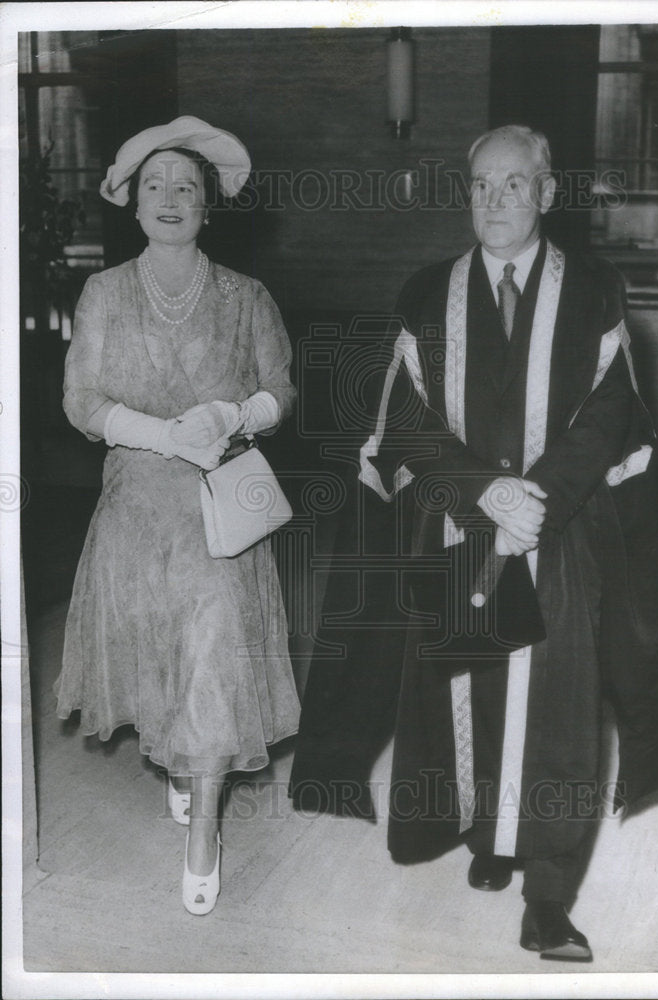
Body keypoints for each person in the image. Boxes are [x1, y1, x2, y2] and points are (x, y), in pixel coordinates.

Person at [290, 124, 658, 960]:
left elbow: (611, 414)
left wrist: (536, 500)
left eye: (513, 184)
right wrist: (483, 491)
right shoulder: (429, 292)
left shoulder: (594, 290)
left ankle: (548, 897)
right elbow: (403, 418)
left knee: (558, 711)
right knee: (472, 687)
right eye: (479, 185)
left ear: (545, 192)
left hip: (556, 535)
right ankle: (490, 835)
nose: (494, 200)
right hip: (459, 528)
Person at [54, 116, 300, 915]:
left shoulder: (246, 296)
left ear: (206, 207)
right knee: (160, 651)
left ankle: (203, 830)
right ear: (132, 203)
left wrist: (232, 414)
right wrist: (163, 434)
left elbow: (281, 392)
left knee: (214, 642)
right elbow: (81, 400)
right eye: (154, 184)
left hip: (218, 506)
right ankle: (181, 760)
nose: (169, 197)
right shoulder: (104, 293)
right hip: (134, 503)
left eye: (185, 187)